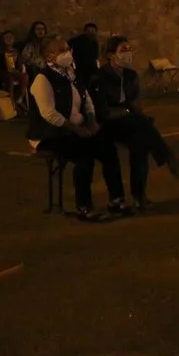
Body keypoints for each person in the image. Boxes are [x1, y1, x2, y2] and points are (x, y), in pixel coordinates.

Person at [27, 35, 132, 221]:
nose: (67, 53)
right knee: (84, 156)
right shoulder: (43, 79)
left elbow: (86, 99)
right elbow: (49, 114)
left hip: (75, 129)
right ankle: (84, 206)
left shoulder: (71, 74)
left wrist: (91, 121)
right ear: (49, 56)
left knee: (108, 148)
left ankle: (116, 199)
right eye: (62, 50)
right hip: (50, 135)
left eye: (68, 49)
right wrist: (76, 129)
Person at [92, 36, 179, 209]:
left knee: (141, 142)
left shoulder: (131, 76)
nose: (128, 53)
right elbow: (102, 111)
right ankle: (170, 160)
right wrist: (127, 112)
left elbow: (136, 104)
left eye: (130, 49)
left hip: (129, 122)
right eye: (123, 50)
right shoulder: (100, 77)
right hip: (106, 123)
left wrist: (132, 112)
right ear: (110, 55)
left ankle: (139, 195)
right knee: (141, 124)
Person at [0, 29, 29, 112]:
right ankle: (11, 102)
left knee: (24, 76)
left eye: (11, 37)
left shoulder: (16, 51)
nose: (9, 39)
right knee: (10, 79)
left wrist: (17, 60)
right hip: (4, 73)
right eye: (6, 37)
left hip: (14, 71)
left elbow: (19, 66)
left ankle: (19, 98)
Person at [69, 23, 100, 88]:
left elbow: (95, 57)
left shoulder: (94, 42)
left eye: (93, 31)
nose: (91, 33)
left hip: (91, 69)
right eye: (89, 31)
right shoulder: (77, 40)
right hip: (80, 69)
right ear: (85, 31)